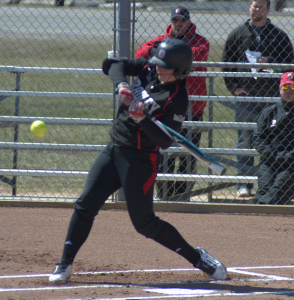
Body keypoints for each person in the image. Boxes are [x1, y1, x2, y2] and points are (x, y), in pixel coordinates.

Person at [48, 39, 227, 284]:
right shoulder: (148, 69)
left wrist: (142, 119)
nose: (157, 68)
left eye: (165, 66)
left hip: (141, 160)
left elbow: (164, 141)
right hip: (114, 150)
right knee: (85, 205)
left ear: (180, 70)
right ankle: (65, 263)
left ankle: (197, 258)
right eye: (157, 64)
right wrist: (122, 85)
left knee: (144, 224)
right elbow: (111, 64)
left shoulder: (178, 97)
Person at [136, 6, 209, 200]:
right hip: (165, 106)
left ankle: (181, 195)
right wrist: (158, 48)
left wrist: (164, 53)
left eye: (182, 20)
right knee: (163, 153)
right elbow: (140, 53)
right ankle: (164, 194)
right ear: (171, 23)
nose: (178, 24)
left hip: (193, 107)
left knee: (187, 154)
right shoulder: (161, 39)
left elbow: (196, 56)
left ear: (188, 22)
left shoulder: (201, 42)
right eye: (175, 20)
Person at [221, 0, 294, 198]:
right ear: (249, 8)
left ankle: (273, 185)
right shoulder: (238, 34)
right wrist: (234, 88)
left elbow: (290, 64)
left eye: (261, 6)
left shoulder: (278, 36)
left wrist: (270, 62)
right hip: (247, 96)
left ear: (268, 9)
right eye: (254, 6)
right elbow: (226, 63)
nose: (257, 10)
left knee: (276, 140)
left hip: (272, 98)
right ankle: (243, 185)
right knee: (245, 139)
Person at [252, 72, 294, 205]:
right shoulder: (269, 112)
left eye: (292, 88)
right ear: (279, 89)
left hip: (291, 163)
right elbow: (258, 138)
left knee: (277, 191)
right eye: (285, 87)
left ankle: (258, 208)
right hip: (270, 160)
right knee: (264, 190)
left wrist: (288, 156)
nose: (289, 91)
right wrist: (272, 154)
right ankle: (260, 212)